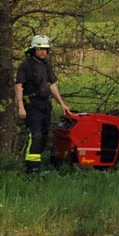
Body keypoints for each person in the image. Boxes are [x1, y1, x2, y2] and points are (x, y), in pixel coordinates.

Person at [15, 35, 72, 174]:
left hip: (45, 104)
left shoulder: (46, 65)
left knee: (44, 136)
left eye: (46, 49)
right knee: (36, 136)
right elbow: (18, 86)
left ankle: (37, 166)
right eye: (41, 49)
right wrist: (21, 106)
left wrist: (62, 104)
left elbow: (52, 86)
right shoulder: (25, 65)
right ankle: (31, 169)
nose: (43, 52)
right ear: (34, 49)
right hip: (32, 105)